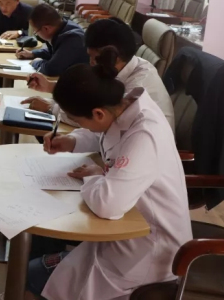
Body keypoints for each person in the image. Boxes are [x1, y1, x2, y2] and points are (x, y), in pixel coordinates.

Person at [22, 55, 191, 300]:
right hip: (123, 231)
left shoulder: (145, 134)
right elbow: (103, 133)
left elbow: (107, 204)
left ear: (98, 113)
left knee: (33, 277)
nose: (79, 124)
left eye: (77, 120)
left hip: (149, 253)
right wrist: (71, 140)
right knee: (34, 266)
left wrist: (94, 175)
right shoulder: (123, 107)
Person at [23, 17, 175, 129]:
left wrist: (52, 108)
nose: (91, 63)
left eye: (94, 58)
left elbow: (101, 122)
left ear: (113, 55)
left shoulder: (138, 88)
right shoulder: (124, 66)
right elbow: (91, 96)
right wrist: (51, 87)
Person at [15, 3, 88, 77]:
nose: (36, 34)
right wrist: (33, 54)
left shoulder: (73, 39)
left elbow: (51, 69)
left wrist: (36, 62)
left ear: (46, 28)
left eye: (36, 31)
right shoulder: (64, 27)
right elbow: (57, 52)